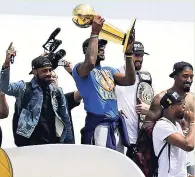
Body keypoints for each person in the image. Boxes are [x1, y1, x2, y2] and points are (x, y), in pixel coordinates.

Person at [72, 15, 136, 151]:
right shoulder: (80, 69)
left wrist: (128, 53)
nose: (102, 49)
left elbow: (130, 80)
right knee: (101, 166)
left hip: (114, 125)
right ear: (87, 49)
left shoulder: (109, 70)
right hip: (99, 125)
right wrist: (94, 33)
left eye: (103, 47)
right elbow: (89, 62)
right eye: (98, 46)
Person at [0, 43, 74, 146]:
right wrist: (7, 64)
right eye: (44, 71)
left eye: (49, 70)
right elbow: (4, 87)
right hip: (29, 143)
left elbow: (65, 119)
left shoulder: (57, 92)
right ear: (34, 71)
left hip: (52, 143)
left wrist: (69, 144)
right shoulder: (24, 88)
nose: (48, 73)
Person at [115, 41, 153, 158]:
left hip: (140, 133)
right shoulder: (116, 73)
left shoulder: (146, 77)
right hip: (120, 131)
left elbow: (154, 101)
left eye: (141, 56)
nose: (140, 59)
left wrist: (148, 109)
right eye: (137, 55)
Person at [153, 91, 194, 177]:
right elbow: (188, 145)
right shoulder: (162, 125)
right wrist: (193, 123)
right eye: (180, 103)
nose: (184, 106)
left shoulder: (177, 125)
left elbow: (177, 158)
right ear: (171, 108)